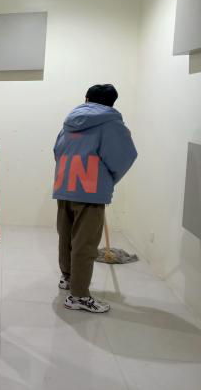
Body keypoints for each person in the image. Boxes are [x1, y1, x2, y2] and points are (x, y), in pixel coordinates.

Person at [53, 84, 137, 313]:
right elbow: (124, 158)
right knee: (86, 244)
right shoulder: (112, 125)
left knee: (66, 236)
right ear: (112, 103)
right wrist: (106, 181)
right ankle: (79, 296)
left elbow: (57, 151)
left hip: (64, 186)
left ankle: (68, 278)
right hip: (90, 191)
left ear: (87, 98)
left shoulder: (69, 122)